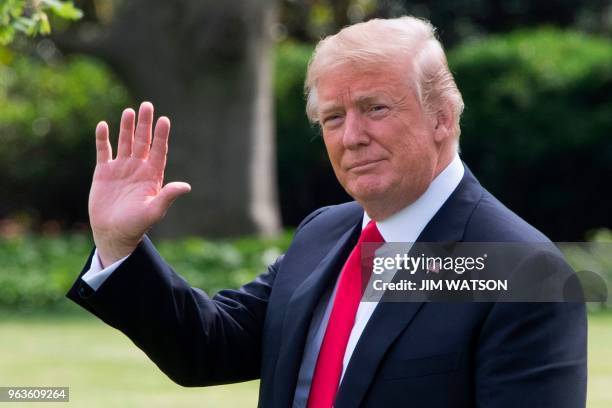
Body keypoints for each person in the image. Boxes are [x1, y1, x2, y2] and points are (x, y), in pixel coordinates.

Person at [67, 16, 587, 407]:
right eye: (334, 117)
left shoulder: (520, 271)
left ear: (442, 119)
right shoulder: (324, 233)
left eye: (376, 108)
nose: (352, 137)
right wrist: (119, 245)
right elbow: (210, 348)